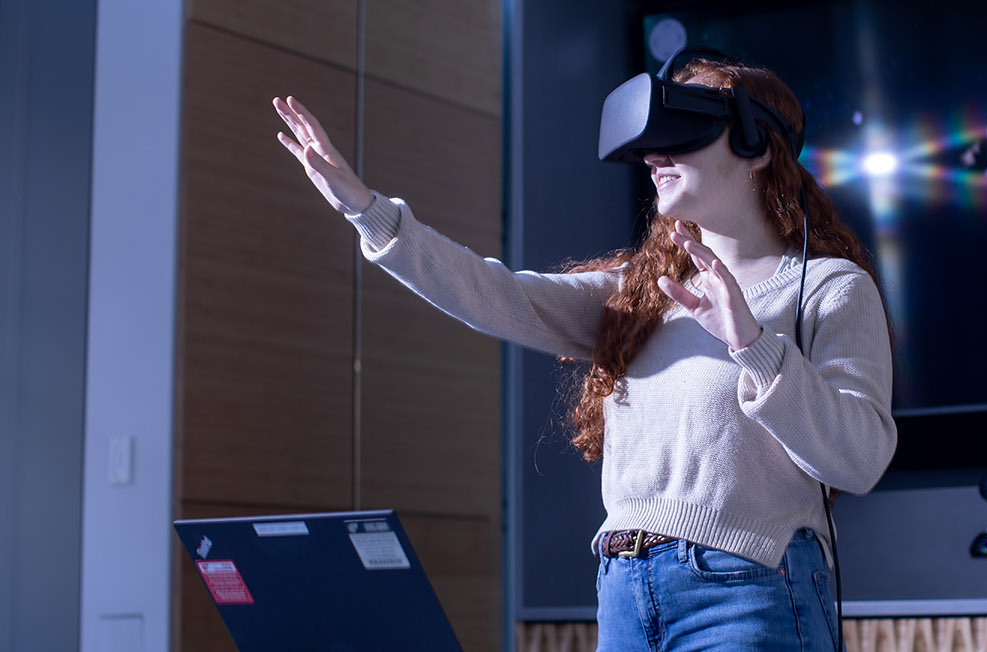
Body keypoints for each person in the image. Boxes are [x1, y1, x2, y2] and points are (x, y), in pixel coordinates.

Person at [273, 53, 897, 652]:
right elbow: (495, 294)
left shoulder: (827, 288)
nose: (654, 155)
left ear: (757, 147)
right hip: (625, 589)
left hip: (750, 591)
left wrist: (753, 345)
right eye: (650, 142)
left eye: (681, 131)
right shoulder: (640, 294)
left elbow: (861, 459)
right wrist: (366, 210)